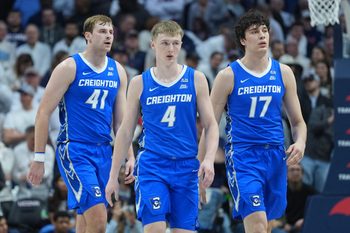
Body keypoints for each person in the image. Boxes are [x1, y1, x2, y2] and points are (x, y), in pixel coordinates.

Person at [105, 20, 219, 233]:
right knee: (155, 229)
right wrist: (113, 177)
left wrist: (209, 159)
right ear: (153, 45)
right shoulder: (140, 82)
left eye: (176, 43)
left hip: (186, 167)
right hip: (153, 166)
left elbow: (211, 125)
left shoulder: (196, 78)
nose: (171, 49)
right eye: (165, 43)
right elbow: (125, 131)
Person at [201, 10, 307, 233]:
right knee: (257, 224)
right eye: (254, 32)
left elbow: (298, 122)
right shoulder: (228, 76)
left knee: (267, 225)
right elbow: (210, 126)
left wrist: (300, 143)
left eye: (265, 31)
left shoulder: (284, 72)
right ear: (242, 39)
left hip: (276, 156)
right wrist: (204, 162)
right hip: (243, 156)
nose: (262, 36)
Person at [27, 15, 134, 233]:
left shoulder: (118, 71)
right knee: (98, 219)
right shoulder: (69, 67)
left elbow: (121, 123)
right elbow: (43, 112)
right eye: (102, 31)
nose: (108, 36)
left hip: (104, 152)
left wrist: (129, 155)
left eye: (111, 32)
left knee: (85, 223)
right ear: (87, 36)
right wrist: (39, 158)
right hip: (75, 149)